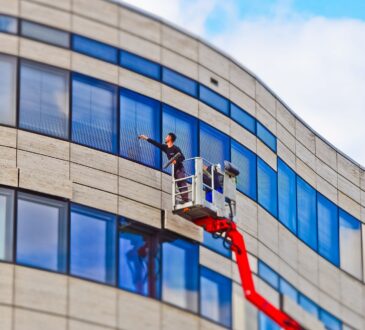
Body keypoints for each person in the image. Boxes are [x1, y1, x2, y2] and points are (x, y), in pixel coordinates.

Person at [138, 133, 189, 203]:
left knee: (182, 182)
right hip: (174, 170)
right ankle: (184, 200)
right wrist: (146, 138)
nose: (165, 138)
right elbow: (156, 144)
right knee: (179, 184)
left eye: (167, 137)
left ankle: (185, 199)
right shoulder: (166, 148)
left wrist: (176, 160)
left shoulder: (176, 148)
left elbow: (183, 157)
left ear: (170, 138)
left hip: (179, 168)